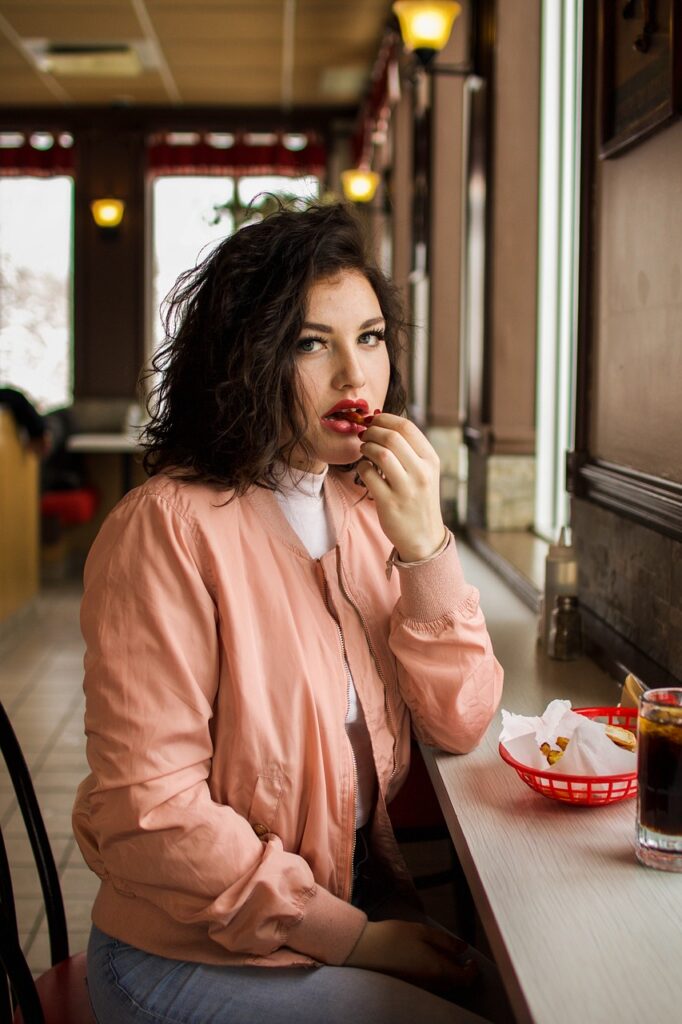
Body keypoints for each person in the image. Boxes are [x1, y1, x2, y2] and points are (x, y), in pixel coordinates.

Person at [73, 201, 507, 1024]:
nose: (354, 377)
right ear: (250, 356)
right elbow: (150, 816)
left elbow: (460, 722)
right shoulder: (164, 530)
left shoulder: (366, 508)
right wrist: (354, 938)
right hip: (180, 955)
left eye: (370, 337)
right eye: (313, 343)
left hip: (336, 915)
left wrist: (426, 546)